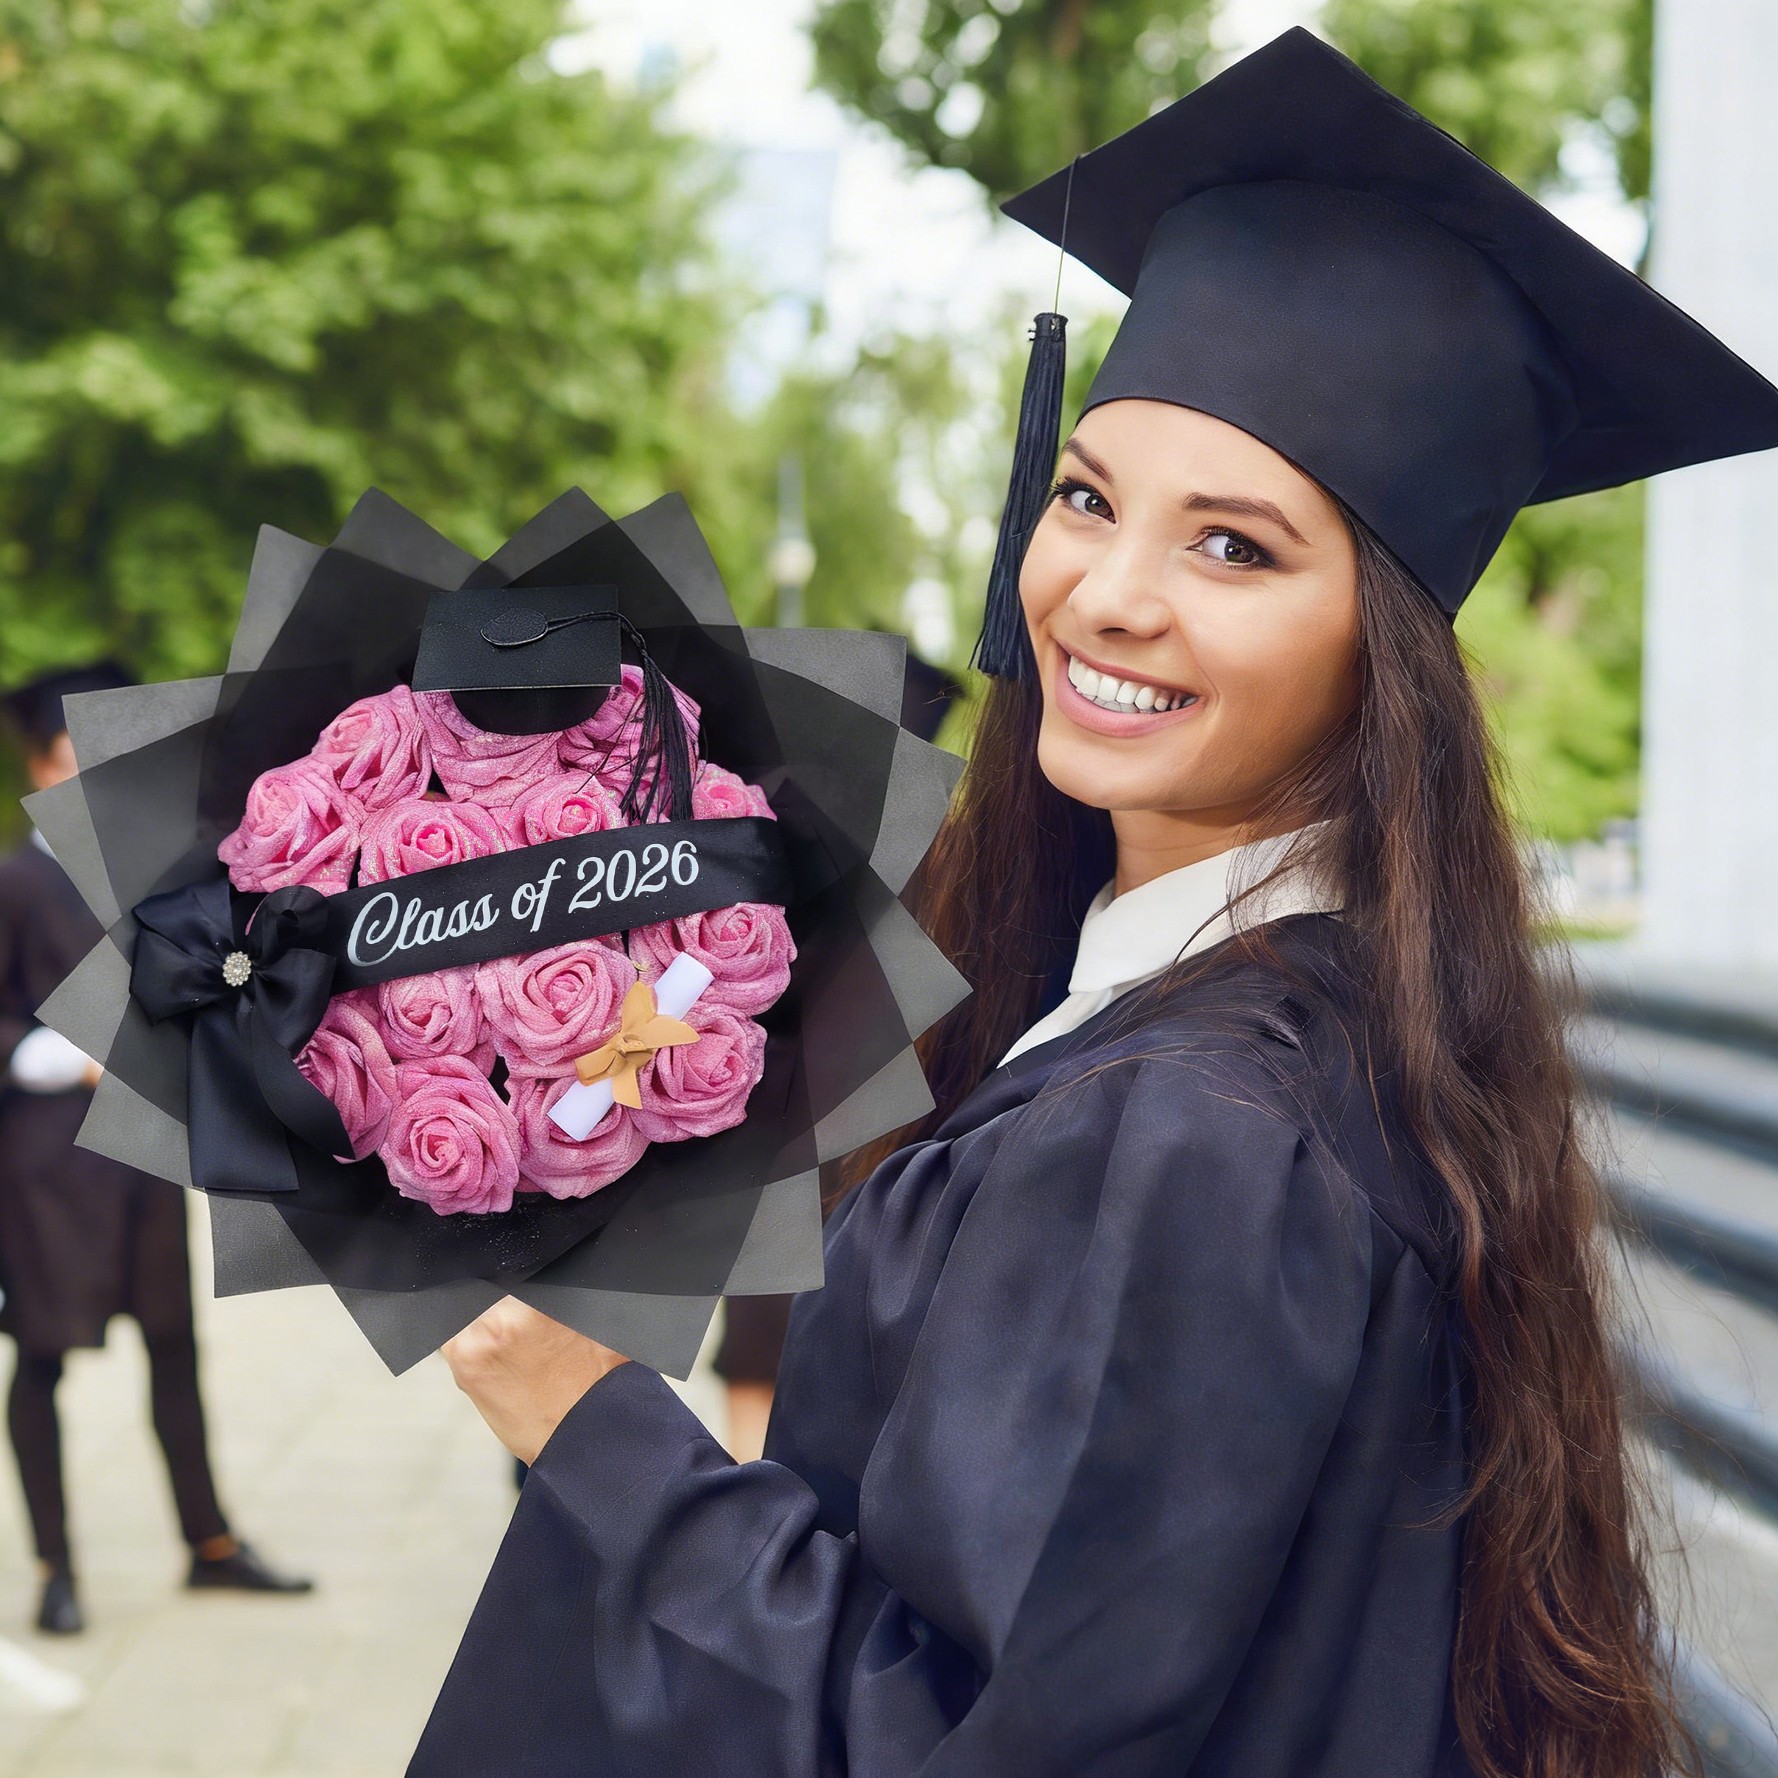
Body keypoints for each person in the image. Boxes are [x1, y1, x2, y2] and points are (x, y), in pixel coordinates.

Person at [413, 32, 1778, 1778]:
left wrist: (596, 1426)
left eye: (1235, 547)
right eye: (1084, 498)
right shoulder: (1323, 1029)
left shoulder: (1197, 1133)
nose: (1104, 594)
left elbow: (981, 1742)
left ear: (1390, 657)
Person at [0, 665, 314, 1635]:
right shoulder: (14, 879)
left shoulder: (149, 870)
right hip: (46, 1165)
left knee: (174, 1348)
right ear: (51, 758)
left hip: (141, 1154)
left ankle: (209, 1540)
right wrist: (72, 1050)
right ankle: (56, 1564)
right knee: (44, 1357)